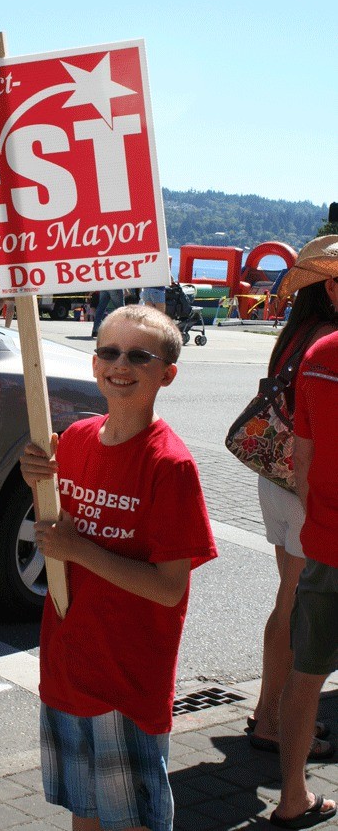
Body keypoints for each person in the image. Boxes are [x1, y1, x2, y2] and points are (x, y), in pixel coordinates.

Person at [20, 305, 217, 831]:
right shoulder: (76, 439)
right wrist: (36, 478)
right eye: (108, 351)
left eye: (138, 355)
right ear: (93, 363)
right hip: (68, 664)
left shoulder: (170, 465)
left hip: (126, 682)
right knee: (84, 813)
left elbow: (169, 589)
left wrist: (80, 549)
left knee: (130, 822)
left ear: (167, 374)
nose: (119, 364)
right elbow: (57, 522)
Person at [249, 236, 338, 761]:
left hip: (276, 478)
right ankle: (279, 721)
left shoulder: (296, 331)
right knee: (299, 605)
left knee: (287, 598)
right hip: (310, 488)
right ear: (329, 287)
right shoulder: (329, 339)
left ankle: (269, 713)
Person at [269, 321, 338, 829]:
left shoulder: (321, 354)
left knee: (306, 675)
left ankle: (291, 797)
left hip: (328, 545)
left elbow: (304, 462)